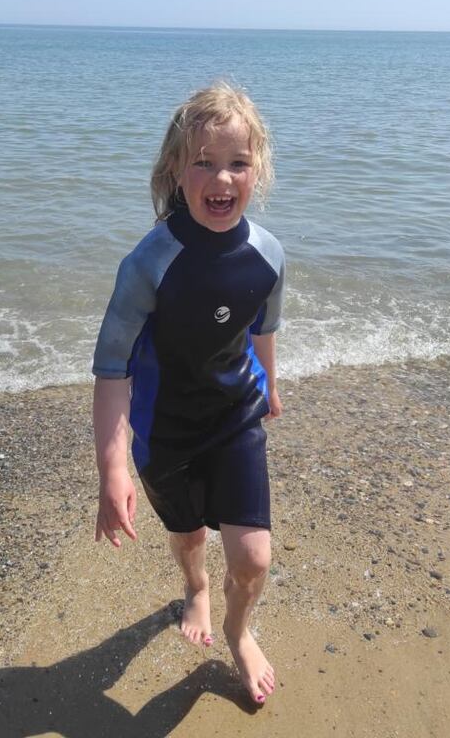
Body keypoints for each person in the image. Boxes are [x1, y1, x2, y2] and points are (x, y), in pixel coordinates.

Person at [91, 82, 284, 705]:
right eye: (202, 160)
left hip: (235, 417)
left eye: (237, 162)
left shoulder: (268, 255)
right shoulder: (149, 263)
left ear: (257, 171)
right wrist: (111, 467)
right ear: (176, 169)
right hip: (164, 431)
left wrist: (271, 389)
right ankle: (196, 587)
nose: (220, 177)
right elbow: (112, 368)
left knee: (254, 557)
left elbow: (263, 327)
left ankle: (239, 628)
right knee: (189, 535)